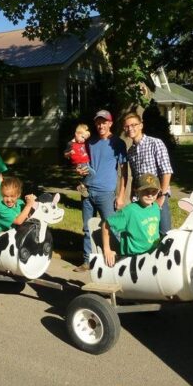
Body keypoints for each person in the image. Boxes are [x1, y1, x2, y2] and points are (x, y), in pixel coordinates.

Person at [74, 109, 128, 272]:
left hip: (106, 193)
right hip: (87, 191)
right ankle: (87, 261)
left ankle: (120, 258)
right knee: (87, 227)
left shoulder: (118, 143)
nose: (100, 125)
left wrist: (120, 196)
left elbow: (124, 172)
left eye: (104, 122)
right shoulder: (90, 143)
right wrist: (79, 170)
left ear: (110, 123)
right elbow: (83, 162)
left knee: (112, 226)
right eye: (98, 122)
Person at [123, 112, 174, 235]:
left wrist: (162, 196)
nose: (130, 128)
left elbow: (166, 171)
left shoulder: (155, 143)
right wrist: (132, 196)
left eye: (133, 125)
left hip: (157, 195)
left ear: (141, 125)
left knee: (164, 232)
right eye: (127, 126)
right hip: (141, 198)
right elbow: (135, 177)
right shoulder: (130, 151)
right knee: (146, 232)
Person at [101, 173, 161, 267]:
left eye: (154, 191)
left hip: (153, 255)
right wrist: (107, 250)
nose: (150, 195)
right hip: (133, 260)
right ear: (137, 191)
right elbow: (106, 225)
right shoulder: (129, 211)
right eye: (146, 191)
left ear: (158, 192)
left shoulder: (156, 207)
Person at [64, 123, 96, 197]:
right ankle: (82, 185)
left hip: (86, 161)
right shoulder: (70, 144)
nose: (83, 140)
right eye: (82, 137)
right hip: (81, 163)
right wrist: (69, 153)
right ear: (76, 134)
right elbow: (65, 154)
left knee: (88, 175)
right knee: (93, 173)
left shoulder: (82, 142)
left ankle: (84, 187)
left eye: (85, 139)